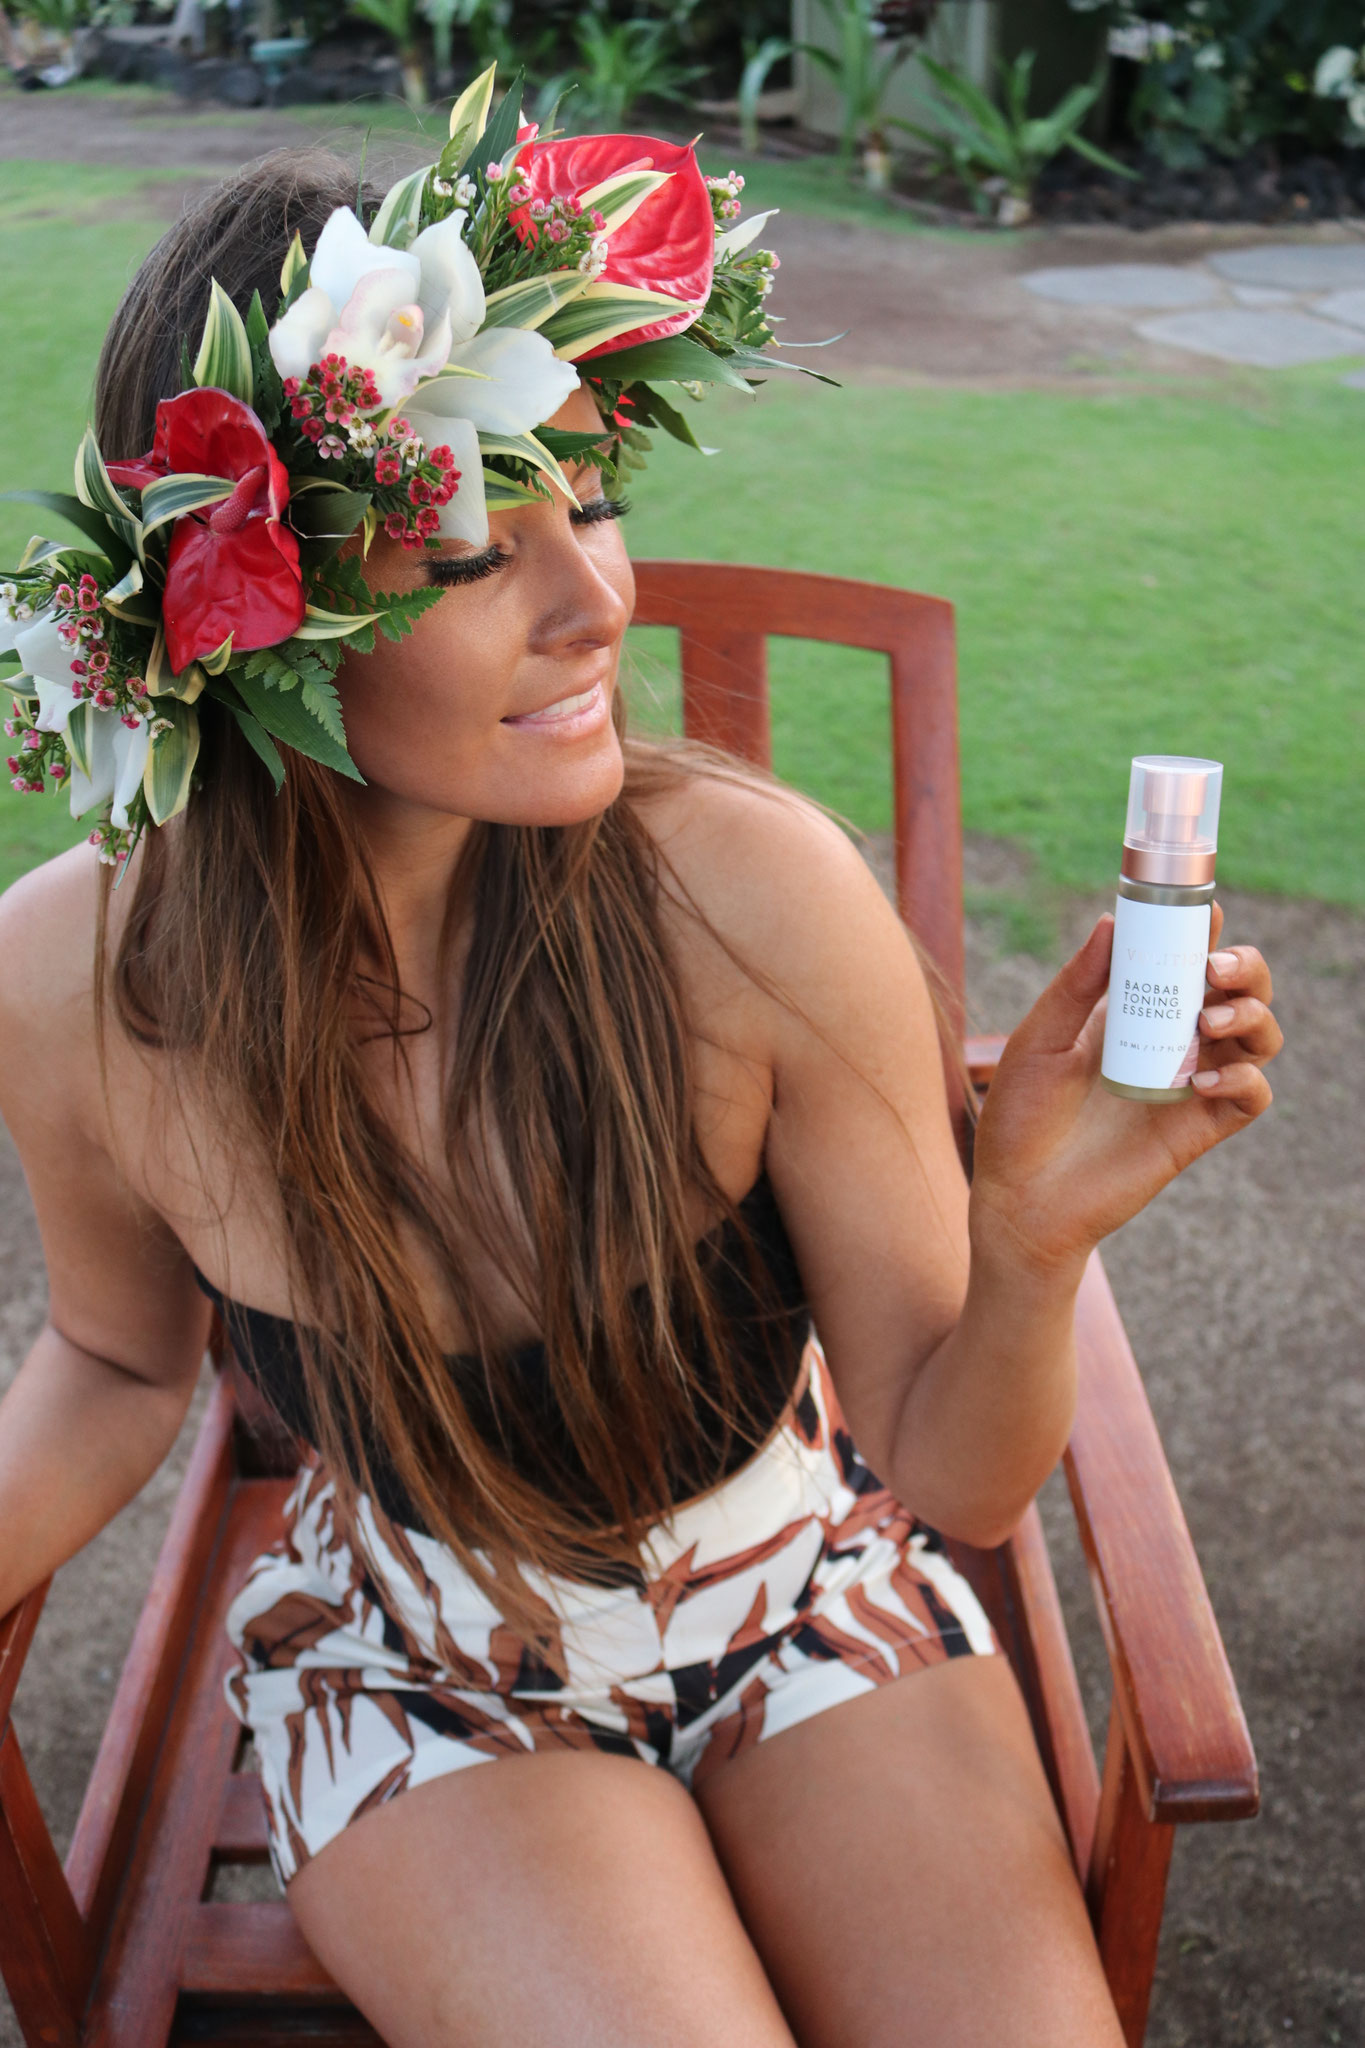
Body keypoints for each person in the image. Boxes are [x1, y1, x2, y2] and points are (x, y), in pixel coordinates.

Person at [0, 105, 1280, 2048]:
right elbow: (110, 1361)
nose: (596, 600)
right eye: (461, 545)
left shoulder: (748, 899)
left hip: (800, 1592)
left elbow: (946, 1472)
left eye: (588, 499)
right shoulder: (74, 977)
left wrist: (1025, 1241)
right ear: (239, 614)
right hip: (420, 1666)